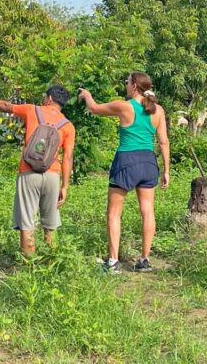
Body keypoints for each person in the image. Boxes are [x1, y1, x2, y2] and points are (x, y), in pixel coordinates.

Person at [78, 71, 170, 273]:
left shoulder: (124, 106)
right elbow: (163, 141)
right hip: (148, 162)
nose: (125, 84)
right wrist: (166, 170)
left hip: (127, 160)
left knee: (114, 212)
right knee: (147, 210)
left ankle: (112, 262)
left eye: (127, 82)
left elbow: (94, 109)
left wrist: (87, 95)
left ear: (135, 85)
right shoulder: (159, 110)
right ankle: (144, 259)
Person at [0, 86, 76, 256]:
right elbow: (68, 157)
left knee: (27, 224)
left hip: (28, 173)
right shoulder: (68, 126)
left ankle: (29, 268)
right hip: (52, 176)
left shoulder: (32, 110)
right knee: (50, 225)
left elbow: (6, 106)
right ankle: (53, 264)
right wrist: (64, 186)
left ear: (49, 98)